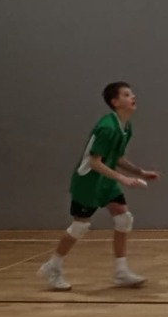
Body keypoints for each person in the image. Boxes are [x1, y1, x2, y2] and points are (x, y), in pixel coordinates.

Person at [39, 82, 159, 291]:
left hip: (106, 181)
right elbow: (95, 162)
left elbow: (117, 157)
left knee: (123, 218)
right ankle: (52, 266)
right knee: (80, 226)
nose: (133, 97)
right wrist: (123, 179)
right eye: (126, 94)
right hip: (88, 182)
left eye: (132, 94)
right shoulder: (107, 127)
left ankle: (121, 272)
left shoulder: (125, 127)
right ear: (115, 102)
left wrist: (139, 172)